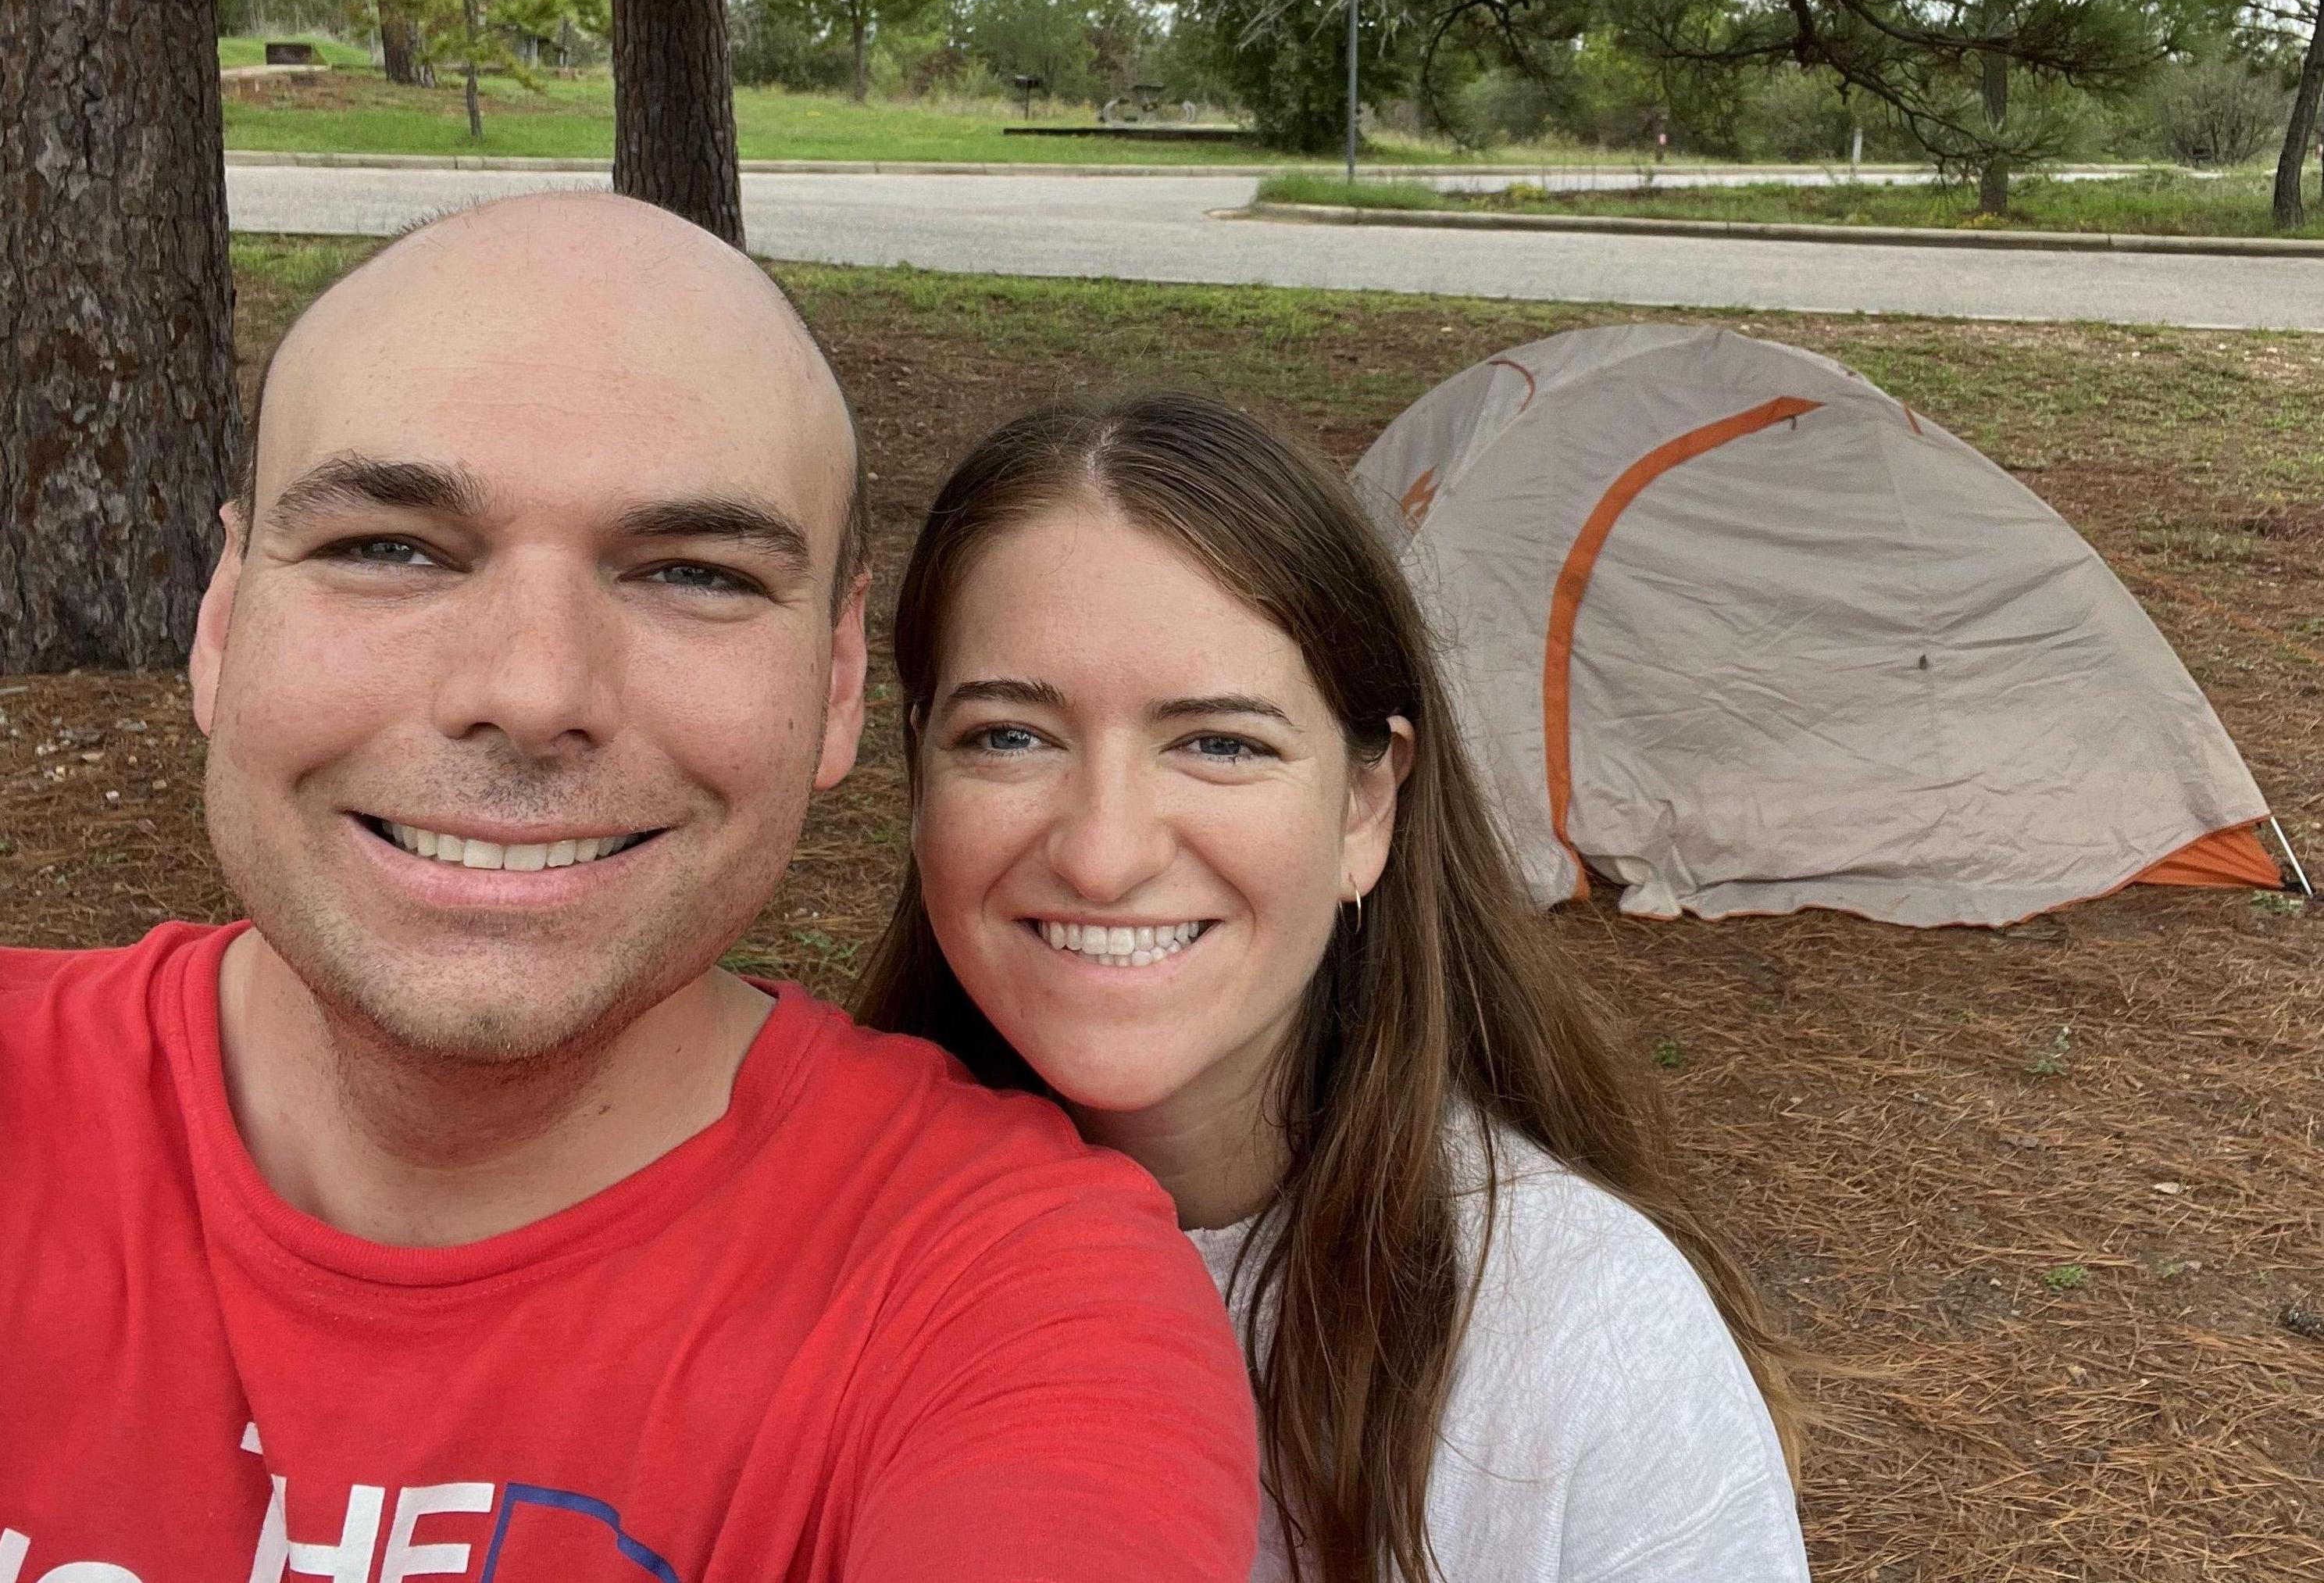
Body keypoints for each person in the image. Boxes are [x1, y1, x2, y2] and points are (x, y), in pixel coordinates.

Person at [0, 196, 1255, 1581]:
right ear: (226, 624)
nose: (532, 692)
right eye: (390, 549)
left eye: (691, 575)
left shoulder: (1012, 1306)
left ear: (838, 682)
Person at [856, 392, 1811, 1583]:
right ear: (917, 775)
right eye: (1009, 736)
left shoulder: (1583, 1333)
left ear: (1368, 806)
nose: (1103, 852)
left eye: (1221, 743)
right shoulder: (789, 1250)